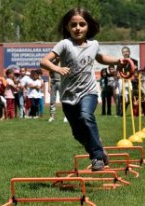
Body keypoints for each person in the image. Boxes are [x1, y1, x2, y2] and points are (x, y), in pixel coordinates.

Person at [40, 7, 125, 171]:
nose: (78, 28)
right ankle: (98, 146)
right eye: (73, 25)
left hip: (89, 91)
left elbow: (102, 58)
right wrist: (57, 69)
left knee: (86, 116)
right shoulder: (65, 44)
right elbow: (44, 61)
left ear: (88, 26)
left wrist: (117, 61)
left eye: (82, 24)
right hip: (68, 96)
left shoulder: (94, 44)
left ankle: (97, 157)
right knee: (78, 134)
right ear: (67, 27)